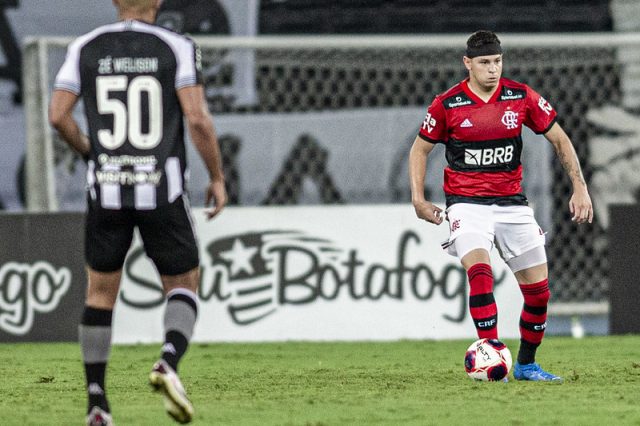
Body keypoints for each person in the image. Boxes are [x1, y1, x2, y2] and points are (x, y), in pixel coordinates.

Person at [49, 0, 227, 424]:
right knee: (183, 282)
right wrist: (217, 176)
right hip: (160, 190)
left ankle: (97, 402)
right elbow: (197, 119)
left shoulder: (85, 46)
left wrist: (91, 151)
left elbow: (58, 116)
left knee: (99, 294)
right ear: (158, 2)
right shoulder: (176, 46)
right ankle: (167, 361)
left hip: (107, 190)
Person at [409, 30, 593, 382]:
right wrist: (418, 199)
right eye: (484, 63)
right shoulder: (447, 104)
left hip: (512, 204)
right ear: (467, 64)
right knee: (481, 273)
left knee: (539, 293)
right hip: (467, 203)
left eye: (497, 61)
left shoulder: (520, 96)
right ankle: (489, 353)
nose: (493, 69)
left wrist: (579, 188)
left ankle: (525, 365)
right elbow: (420, 149)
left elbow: (560, 138)